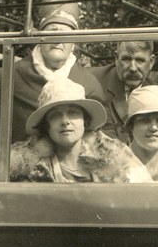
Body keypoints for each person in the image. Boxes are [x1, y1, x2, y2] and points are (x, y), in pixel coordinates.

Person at [0, 0, 105, 154]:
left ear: (74, 42)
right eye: (53, 32)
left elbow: (103, 133)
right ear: (40, 36)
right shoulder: (11, 75)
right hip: (21, 170)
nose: (58, 40)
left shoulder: (88, 83)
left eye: (66, 34)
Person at [9, 77, 138, 183]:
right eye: (55, 115)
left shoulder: (114, 158)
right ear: (46, 125)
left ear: (84, 120)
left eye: (72, 112)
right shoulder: (30, 168)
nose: (65, 121)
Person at [91, 41, 156, 140]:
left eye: (140, 60)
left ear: (151, 62)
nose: (133, 68)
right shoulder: (93, 81)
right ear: (116, 58)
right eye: (126, 59)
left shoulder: (155, 94)